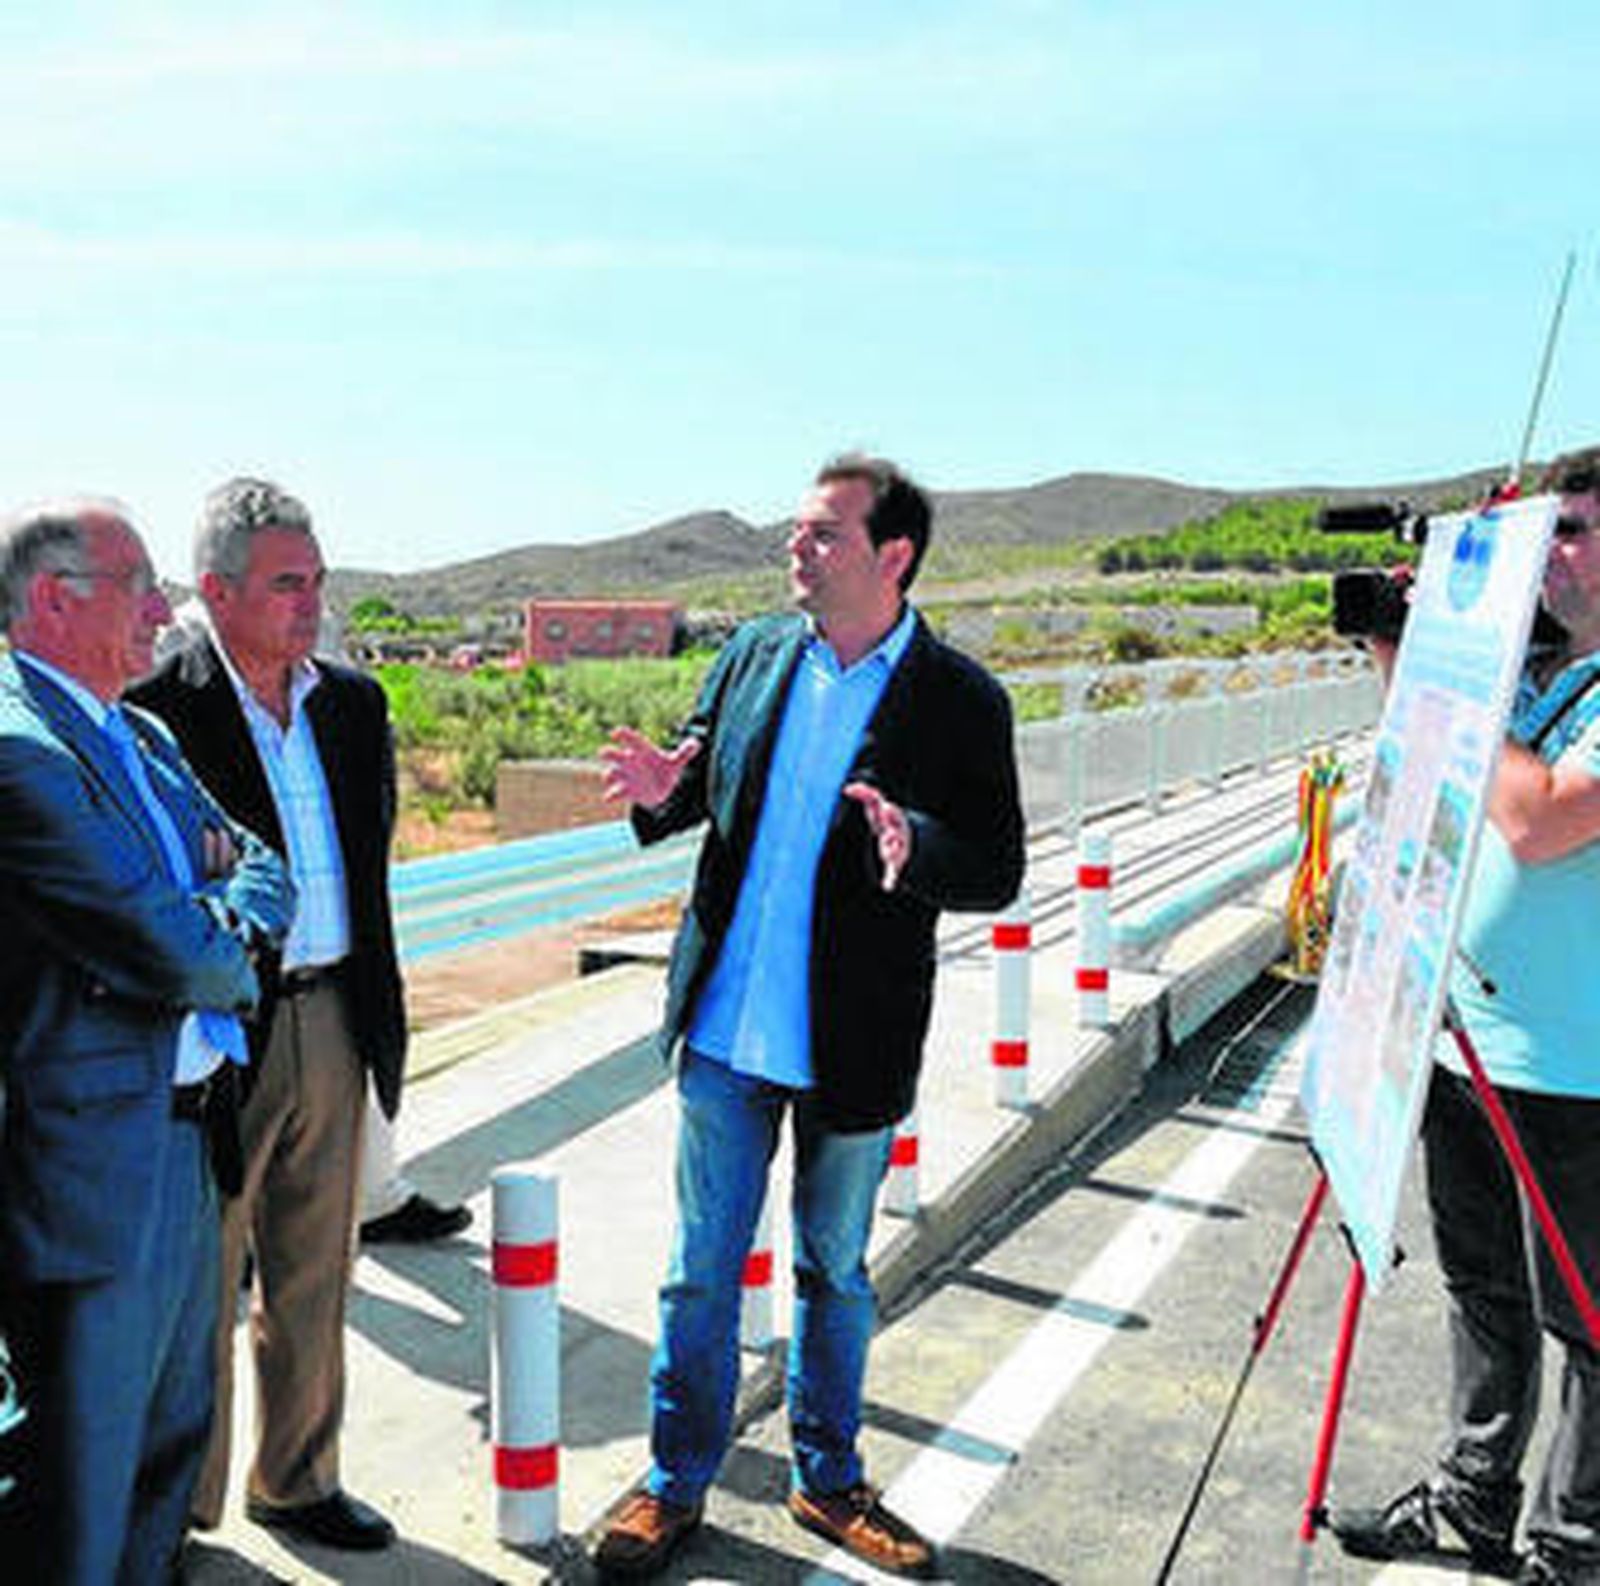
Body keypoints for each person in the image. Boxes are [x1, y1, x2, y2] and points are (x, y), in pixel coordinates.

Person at [592, 454, 1025, 1578]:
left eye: (823, 533)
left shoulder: (961, 699)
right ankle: (673, 1480)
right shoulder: (751, 653)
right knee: (700, 1267)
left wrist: (915, 849)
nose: (798, 548)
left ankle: (827, 1477)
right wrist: (658, 792)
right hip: (729, 1027)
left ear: (894, 555)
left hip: (853, 1037)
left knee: (833, 1268)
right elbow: (696, 776)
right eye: (796, 531)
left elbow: (998, 863)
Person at [0, 497, 292, 1584]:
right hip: (90, 1167)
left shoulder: (146, 732)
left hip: (183, 1142)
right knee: (81, 1469)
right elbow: (179, 954)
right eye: (140, 586)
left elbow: (262, 859)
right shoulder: (23, 753)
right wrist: (225, 924)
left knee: (173, 1432)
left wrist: (223, 905)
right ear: (51, 599)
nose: (162, 609)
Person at [129, 477, 423, 1551]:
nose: (313, 601)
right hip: (220, 1033)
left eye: (319, 579)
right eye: (287, 582)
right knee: (198, 1285)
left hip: (337, 1014)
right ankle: (181, 1514)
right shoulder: (159, 708)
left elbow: (372, 858)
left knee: (314, 1269)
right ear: (215, 590)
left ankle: (296, 1479)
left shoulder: (353, 704)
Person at [1333, 447, 1600, 1585]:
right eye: (1554, 532)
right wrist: (1414, 666)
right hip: (1463, 1042)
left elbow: (1540, 818)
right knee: (1481, 1287)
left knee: (1586, 1318)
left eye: (1578, 530)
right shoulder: (1542, 677)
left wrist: (1451, 684)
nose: (1557, 555)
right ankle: (1471, 1498)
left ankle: (1573, 1539)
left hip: (1574, 1062)